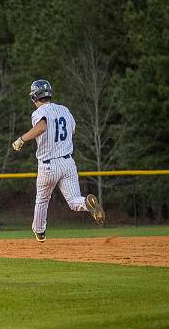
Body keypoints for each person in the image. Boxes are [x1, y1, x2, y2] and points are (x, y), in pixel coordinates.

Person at [11, 79, 105, 242]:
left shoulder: (38, 113)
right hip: (68, 162)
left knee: (42, 199)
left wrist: (22, 139)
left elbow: (41, 127)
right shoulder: (64, 110)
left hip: (48, 165)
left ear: (34, 97)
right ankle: (87, 203)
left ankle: (39, 231)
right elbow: (73, 130)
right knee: (74, 201)